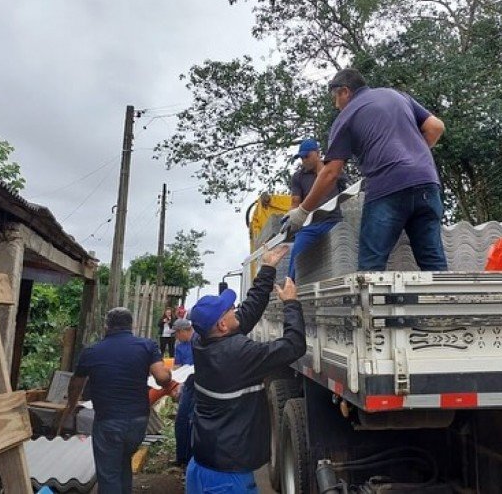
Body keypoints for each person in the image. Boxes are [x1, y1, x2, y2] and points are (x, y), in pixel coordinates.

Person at [284, 68, 448, 272]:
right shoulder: (396, 95)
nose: (336, 105)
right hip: (427, 184)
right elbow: (436, 127)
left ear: (345, 91)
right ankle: (444, 303)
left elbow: (330, 173)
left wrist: (302, 211)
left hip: (388, 190)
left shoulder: (346, 117)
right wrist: (413, 157)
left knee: (371, 269)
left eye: (335, 97)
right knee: (434, 265)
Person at [185, 245, 306, 494]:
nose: (235, 309)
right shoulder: (238, 354)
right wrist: (291, 304)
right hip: (227, 478)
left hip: (201, 464)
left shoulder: (201, 341)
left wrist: (268, 268)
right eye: (230, 309)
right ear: (221, 324)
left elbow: (247, 314)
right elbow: (294, 346)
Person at [60, 307, 172, 494]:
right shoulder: (146, 346)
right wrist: (169, 377)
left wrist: (71, 405)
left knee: (109, 474)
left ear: (106, 326)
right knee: (123, 463)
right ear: (131, 325)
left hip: (108, 422)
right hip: (138, 421)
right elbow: (161, 377)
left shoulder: (92, 352)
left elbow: (75, 383)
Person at [287, 138, 348, 280]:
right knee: (296, 255)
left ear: (318, 153)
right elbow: (295, 202)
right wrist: (292, 218)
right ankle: (290, 286)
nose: (304, 160)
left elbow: (348, 190)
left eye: (307, 156)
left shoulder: (333, 170)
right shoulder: (298, 177)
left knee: (345, 250)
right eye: (301, 157)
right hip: (309, 225)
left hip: (333, 222)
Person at [172, 316, 195, 467]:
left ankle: (192, 459)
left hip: (200, 384)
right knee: (181, 420)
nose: (176, 337)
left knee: (193, 421)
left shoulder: (199, 341)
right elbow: (177, 367)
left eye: (177, 333)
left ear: (184, 331)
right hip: (187, 385)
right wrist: (177, 386)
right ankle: (182, 457)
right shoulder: (179, 347)